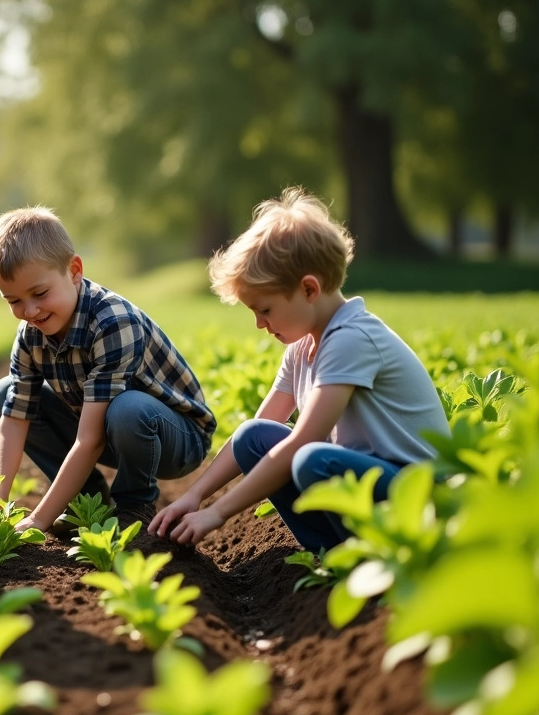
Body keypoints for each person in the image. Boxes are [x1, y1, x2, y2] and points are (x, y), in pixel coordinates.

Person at [149, 188, 449, 551]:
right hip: (368, 480)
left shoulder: (351, 339)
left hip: (416, 492)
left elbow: (304, 440)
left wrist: (219, 513)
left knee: (310, 459)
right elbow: (261, 426)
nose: (260, 324)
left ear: (309, 288)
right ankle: (333, 551)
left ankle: (367, 557)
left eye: (265, 309)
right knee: (253, 437)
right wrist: (195, 496)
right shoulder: (302, 346)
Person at [0, 206, 215, 533]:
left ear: (74, 270)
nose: (30, 310)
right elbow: (15, 419)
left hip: (175, 439)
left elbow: (89, 440)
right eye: (14, 301)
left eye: (39, 293)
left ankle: (135, 504)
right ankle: (89, 501)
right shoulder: (30, 335)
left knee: (128, 408)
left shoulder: (112, 323)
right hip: (111, 430)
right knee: (4, 393)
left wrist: (38, 519)